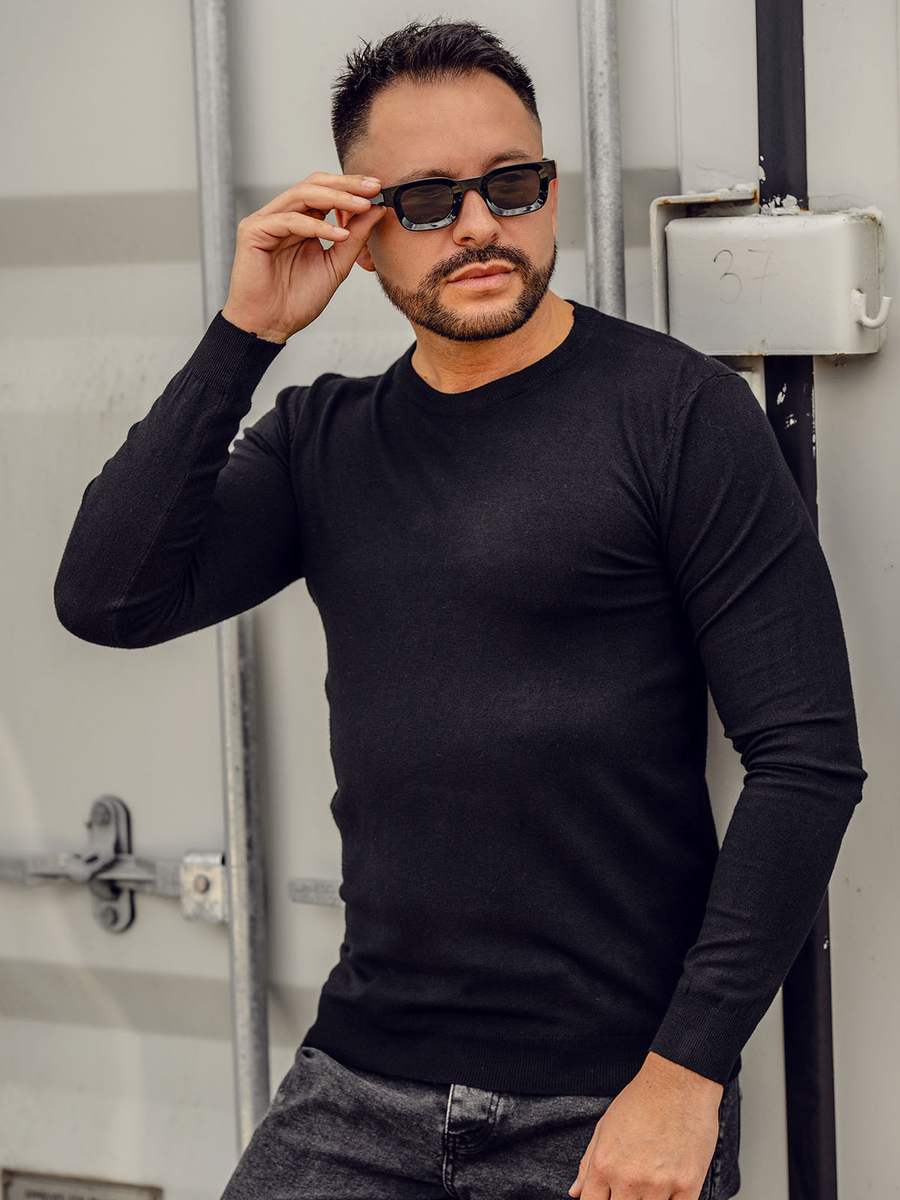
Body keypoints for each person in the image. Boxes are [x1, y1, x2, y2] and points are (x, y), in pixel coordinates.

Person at [55, 19, 864, 1200]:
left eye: (511, 184)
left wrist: (687, 1075)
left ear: (550, 190)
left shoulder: (676, 415)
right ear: (359, 232)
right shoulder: (321, 441)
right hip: (356, 1087)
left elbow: (806, 761)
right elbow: (107, 598)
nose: (479, 223)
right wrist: (247, 335)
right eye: (428, 200)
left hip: (605, 1102)